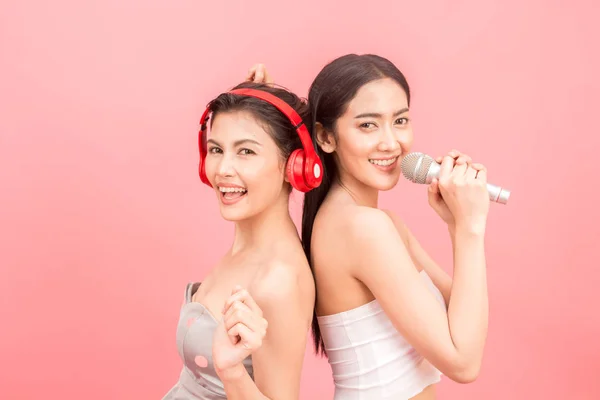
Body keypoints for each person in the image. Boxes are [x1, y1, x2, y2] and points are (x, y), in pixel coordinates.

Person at [247, 56, 491, 399]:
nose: (391, 143)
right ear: (325, 138)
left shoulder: (377, 223)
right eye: (367, 125)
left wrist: (456, 224)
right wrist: (471, 228)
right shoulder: (362, 228)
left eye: (400, 120)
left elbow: (463, 323)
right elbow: (464, 363)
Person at [163, 81, 318, 400]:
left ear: (294, 165)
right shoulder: (247, 250)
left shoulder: (278, 282)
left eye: (246, 151)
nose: (223, 169)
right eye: (217, 149)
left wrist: (231, 371)